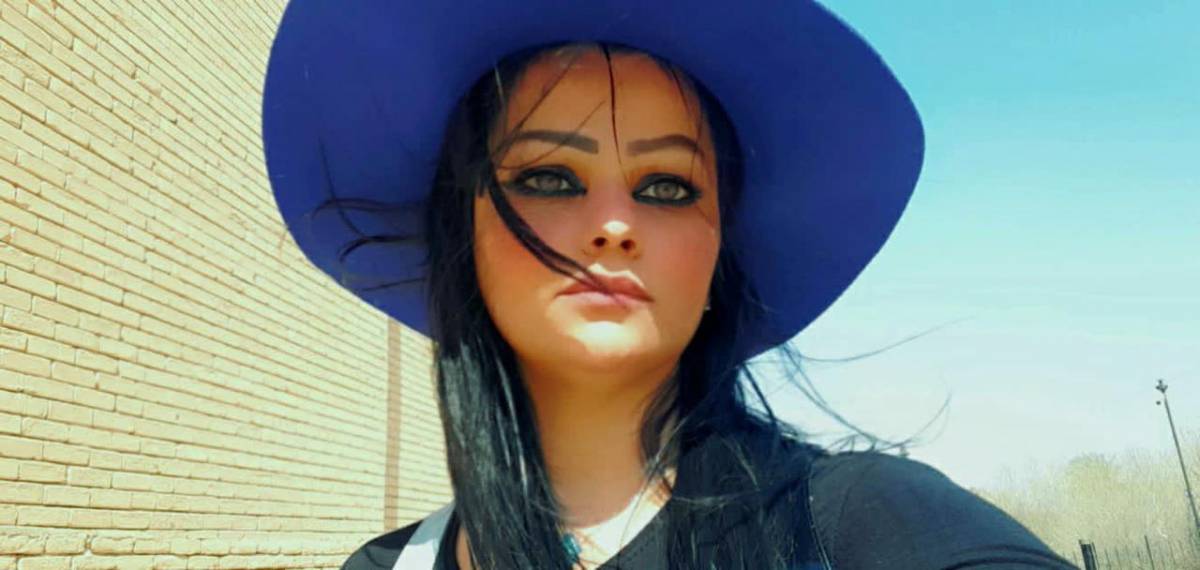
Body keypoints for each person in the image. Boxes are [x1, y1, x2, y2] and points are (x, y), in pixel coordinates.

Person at [261, 2, 1078, 568]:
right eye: (548, 177)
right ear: (461, 233)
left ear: (719, 254)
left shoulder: (864, 526)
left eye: (667, 187)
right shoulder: (388, 566)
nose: (615, 223)